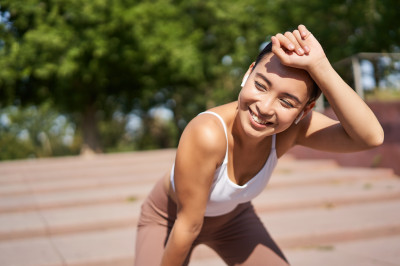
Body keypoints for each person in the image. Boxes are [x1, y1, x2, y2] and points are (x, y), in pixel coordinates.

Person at [134, 24, 384, 266]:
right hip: (169, 217)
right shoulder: (206, 133)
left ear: (305, 110)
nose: (264, 108)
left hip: (233, 220)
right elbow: (188, 226)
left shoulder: (292, 130)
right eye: (261, 86)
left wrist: (321, 67)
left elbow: (370, 137)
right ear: (248, 73)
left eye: (286, 103)